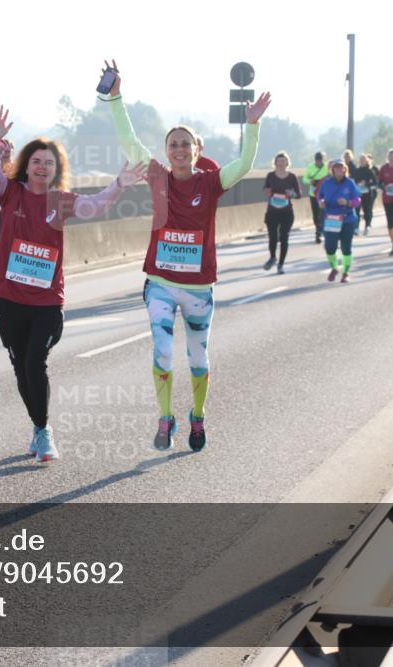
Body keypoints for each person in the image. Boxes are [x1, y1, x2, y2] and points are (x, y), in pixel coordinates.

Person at [102, 59, 269, 452]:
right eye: (172, 144)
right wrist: (116, 98)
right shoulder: (157, 176)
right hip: (161, 283)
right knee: (161, 348)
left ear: (197, 150)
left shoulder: (212, 183)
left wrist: (252, 125)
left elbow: (244, 165)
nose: (178, 149)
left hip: (198, 288)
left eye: (185, 144)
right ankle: (164, 417)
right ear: (166, 152)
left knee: (197, 357)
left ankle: (197, 414)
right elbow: (129, 142)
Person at [0, 104, 145, 463]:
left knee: (34, 363)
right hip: (10, 298)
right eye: (37, 161)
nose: (43, 167)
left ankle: (43, 432)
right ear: (27, 165)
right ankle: (37, 424)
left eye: (50, 163)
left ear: (57, 170)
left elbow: (98, 205)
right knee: (19, 366)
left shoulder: (62, 201)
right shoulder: (10, 192)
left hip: (46, 302)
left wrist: (119, 184)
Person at [317, 160, 361, 283]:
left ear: (344, 169)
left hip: (347, 219)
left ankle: (346, 273)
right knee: (329, 247)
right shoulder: (326, 183)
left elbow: (357, 200)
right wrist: (320, 202)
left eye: (341, 168)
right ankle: (334, 268)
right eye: (336, 168)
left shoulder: (350, 183)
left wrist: (347, 203)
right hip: (332, 218)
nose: (338, 170)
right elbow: (319, 196)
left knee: (346, 248)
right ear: (332, 170)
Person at [262, 151, 301, 273]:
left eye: (283, 161)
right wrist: (267, 192)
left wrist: (292, 194)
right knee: (272, 237)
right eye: (279, 161)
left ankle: (281, 264)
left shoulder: (292, 177)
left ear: (287, 163)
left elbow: (299, 194)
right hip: (272, 211)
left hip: (286, 212)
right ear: (275, 163)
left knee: (284, 238)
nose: (281, 163)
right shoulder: (271, 176)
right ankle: (273, 257)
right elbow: (265, 189)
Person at [303, 152, 328, 243]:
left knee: (322, 212)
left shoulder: (326, 167)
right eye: (317, 159)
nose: (318, 161)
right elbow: (304, 179)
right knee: (315, 214)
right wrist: (311, 181)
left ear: (323, 159)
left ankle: (320, 232)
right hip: (313, 194)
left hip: (324, 194)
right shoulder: (310, 167)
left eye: (320, 159)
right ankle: (318, 229)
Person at [351, 154, 377, 235]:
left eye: (363, 160)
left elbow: (375, 183)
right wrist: (358, 184)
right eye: (360, 160)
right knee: (356, 211)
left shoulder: (370, 171)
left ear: (366, 161)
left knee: (367, 211)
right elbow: (352, 181)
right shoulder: (356, 171)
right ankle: (356, 227)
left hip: (368, 194)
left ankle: (367, 226)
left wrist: (367, 184)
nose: (362, 161)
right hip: (358, 194)